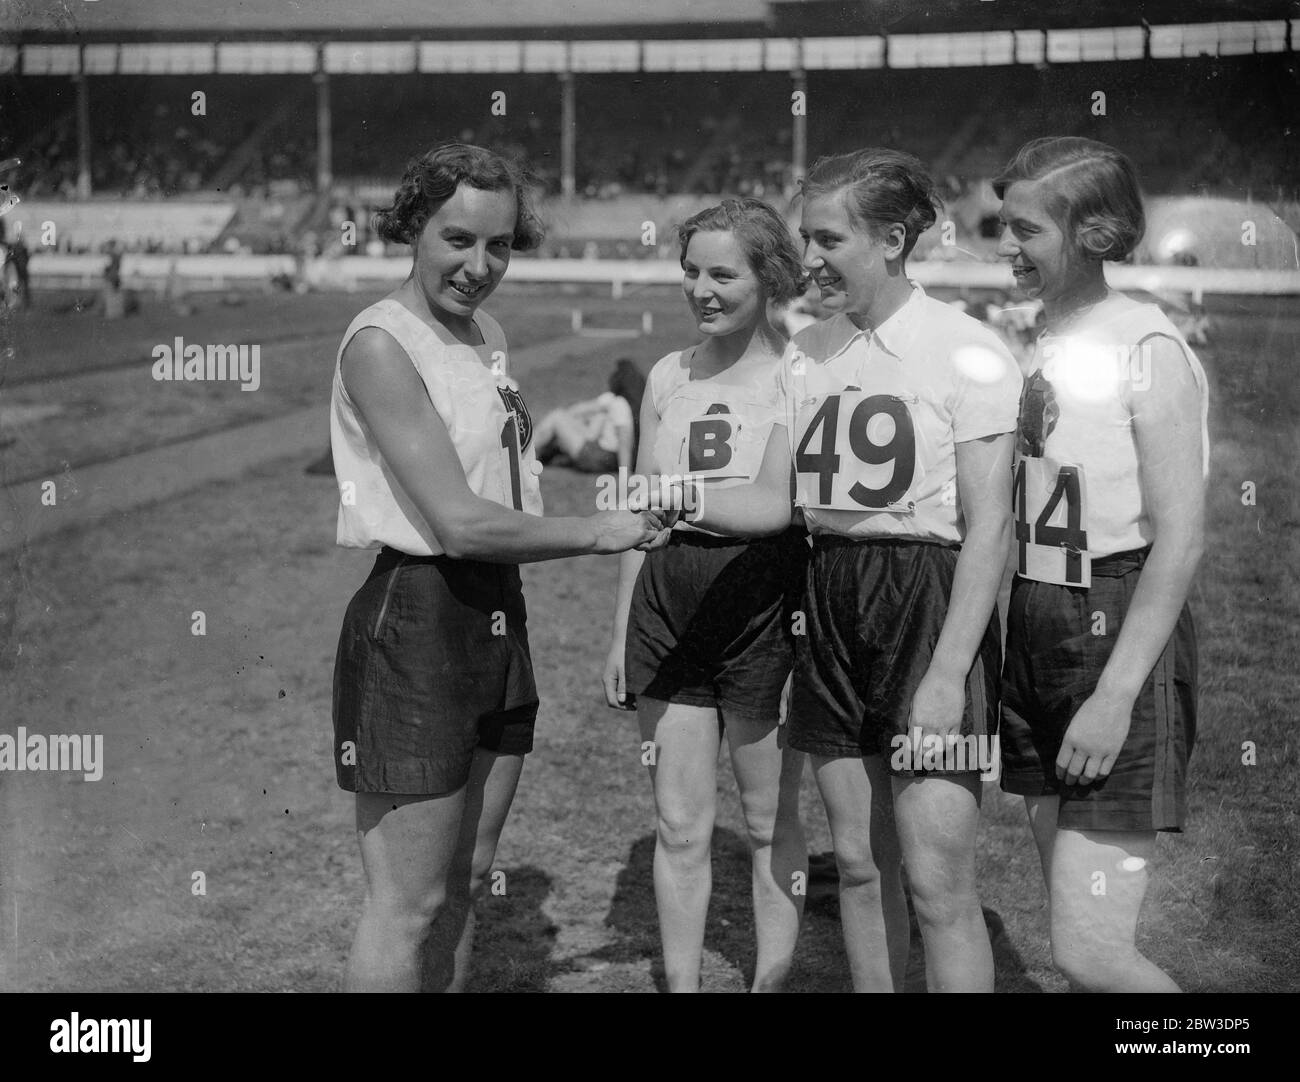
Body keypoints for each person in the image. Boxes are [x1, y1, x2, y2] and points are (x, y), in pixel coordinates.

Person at [676, 149, 1023, 992]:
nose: (810, 257)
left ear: (894, 239)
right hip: (827, 597)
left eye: (829, 238)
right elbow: (771, 500)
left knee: (939, 885)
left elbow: (990, 530)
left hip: (928, 603)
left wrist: (946, 675)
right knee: (861, 867)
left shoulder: (968, 349)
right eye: (806, 237)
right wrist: (656, 498)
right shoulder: (807, 350)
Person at [329, 142, 666, 993]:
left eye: (500, 245)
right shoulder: (381, 343)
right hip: (417, 614)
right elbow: (459, 521)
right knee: (407, 904)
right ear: (413, 226)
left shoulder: (487, 335)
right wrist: (601, 532)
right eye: (458, 240)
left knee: (468, 883)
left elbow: (493, 479)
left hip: (495, 613)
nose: (479, 266)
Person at [993, 137, 1208, 991]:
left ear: (1095, 233)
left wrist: (1115, 697)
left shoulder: (1145, 345)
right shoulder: (1050, 335)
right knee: (1075, 945)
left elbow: (1180, 539)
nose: (1006, 245)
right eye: (1001, 224)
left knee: (1090, 951)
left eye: (1026, 229)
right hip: (1041, 611)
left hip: (1114, 620)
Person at [602, 197, 810, 992]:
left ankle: (770, 982)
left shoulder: (799, 376)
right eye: (690, 271)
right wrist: (622, 627)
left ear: (770, 277)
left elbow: (772, 506)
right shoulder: (667, 374)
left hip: (760, 603)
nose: (701, 289)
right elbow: (639, 521)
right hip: (669, 602)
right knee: (681, 823)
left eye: (723, 273)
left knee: (764, 821)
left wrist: (676, 497)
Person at [533, 358, 644, 473]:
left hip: (597, 457)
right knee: (569, 417)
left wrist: (624, 474)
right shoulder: (637, 405)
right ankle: (543, 450)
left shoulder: (618, 403)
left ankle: (527, 453)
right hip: (605, 457)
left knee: (556, 417)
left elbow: (624, 441)